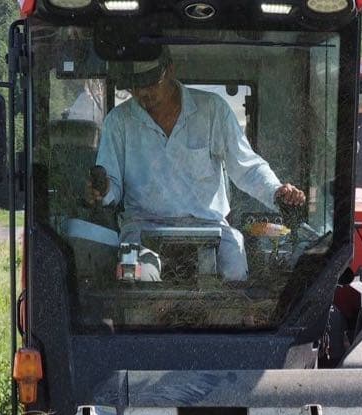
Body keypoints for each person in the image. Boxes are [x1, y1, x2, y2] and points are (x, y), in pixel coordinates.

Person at [86, 45, 306, 281]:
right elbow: (112, 184)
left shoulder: (212, 110)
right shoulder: (118, 121)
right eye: (136, 85)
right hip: (143, 227)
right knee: (137, 277)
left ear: (170, 70)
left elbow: (247, 167)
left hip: (209, 227)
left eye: (150, 83)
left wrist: (276, 191)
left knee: (234, 270)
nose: (143, 92)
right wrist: (104, 190)